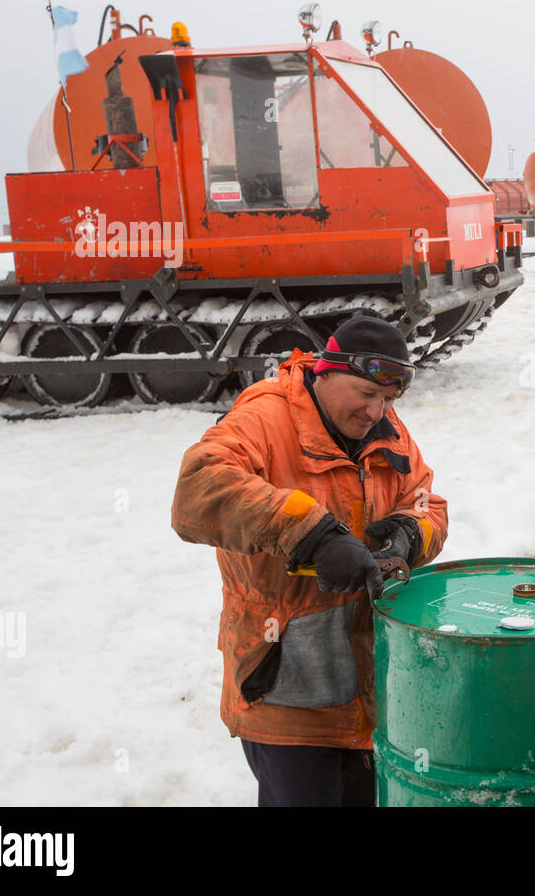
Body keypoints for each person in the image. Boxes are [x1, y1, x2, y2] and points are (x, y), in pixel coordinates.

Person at [171, 314, 447, 806]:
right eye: (366, 394)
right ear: (327, 370)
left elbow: (429, 502)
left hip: (369, 688)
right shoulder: (265, 418)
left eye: (387, 400)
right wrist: (310, 533)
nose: (376, 411)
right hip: (287, 688)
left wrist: (410, 532)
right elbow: (198, 488)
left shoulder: (387, 428)